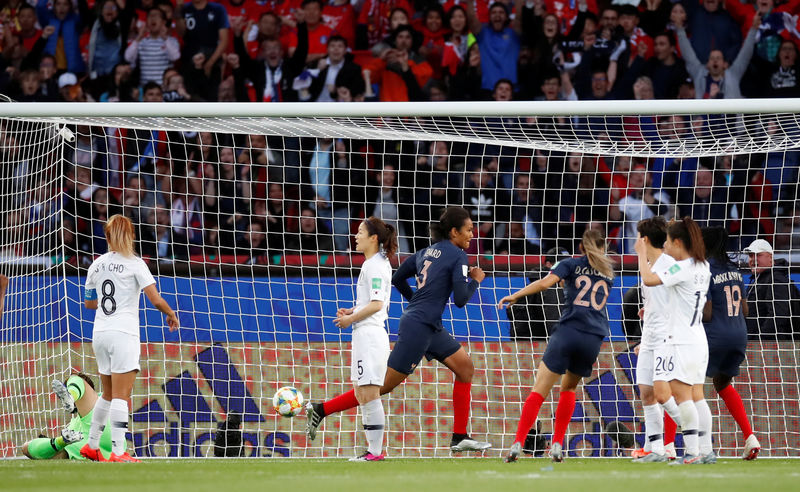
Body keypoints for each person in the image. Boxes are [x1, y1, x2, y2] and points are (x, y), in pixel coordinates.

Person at [306, 207, 491, 453]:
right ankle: (321, 409)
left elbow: (397, 279)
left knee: (465, 368)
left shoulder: (424, 252)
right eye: (468, 229)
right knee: (380, 387)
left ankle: (459, 436)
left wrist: (416, 301)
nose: (472, 234)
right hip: (420, 327)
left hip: (427, 324)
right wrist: (475, 280)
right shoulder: (458, 256)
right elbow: (460, 299)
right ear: (454, 231)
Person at [498, 228, 615, 463]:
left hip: (568, 332)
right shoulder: (608, 273)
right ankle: (558, 445)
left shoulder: (570, 264)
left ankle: (518, 443)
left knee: (539, 390)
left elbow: (544, 284)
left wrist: (516, 295)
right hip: (592, 338)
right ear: (603, 247)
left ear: (581, 247)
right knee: (569, 389)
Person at [80, 214, 179, 462]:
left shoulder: (96, 265)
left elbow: (90, 303)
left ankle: (91, 446)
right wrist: (170, 313)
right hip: (123, 333)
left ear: (107, 236)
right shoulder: (136, 264)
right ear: (132, 235)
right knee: (122, 396)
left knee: (108, 393)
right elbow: (155, 299)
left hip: (100, 333)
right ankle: (118, 452)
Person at [634, 217, 711, 465]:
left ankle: (693, 449)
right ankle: (702, 449)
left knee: (681, 396)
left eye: (670, 240)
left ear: (678, 242)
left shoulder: (678, 267)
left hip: (677, 338)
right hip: (693, 336)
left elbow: (651, 279)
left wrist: (639, 255)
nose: (666, 245)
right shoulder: (703, 265)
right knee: (693, 395)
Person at [332, 217, 397, 461]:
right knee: (361, 393)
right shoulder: (372, 263)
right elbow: (371, 302)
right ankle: (372, 451)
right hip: (363, 333)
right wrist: (353, 310)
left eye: (360, 232)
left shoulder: (376, 265)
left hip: (370, 335)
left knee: (369, 393)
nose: (355, 236)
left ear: (374, 238)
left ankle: (375, 452)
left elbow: (378, 304)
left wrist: (351, 319)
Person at [701, 226, 761, 460]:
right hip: (739, 335)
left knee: (685, 386)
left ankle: (674, 445)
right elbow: (745, 309)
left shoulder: (705, 269)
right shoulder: (735, 270)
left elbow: (706, 314)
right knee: (723, 384)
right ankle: (749, 436)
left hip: (715, 335)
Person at [629, 217, 682, 463]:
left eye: (639, 237)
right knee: (646, 393)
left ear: (645, 239)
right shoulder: (650, 264)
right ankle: (656, 448)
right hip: (649, 335)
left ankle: (697, 434)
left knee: (663, 395)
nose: (636, 241)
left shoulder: (670, 264)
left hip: (667, 336)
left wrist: (641, 256)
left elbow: (664, 287)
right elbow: (656, 298)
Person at [20, 373, 116, 460]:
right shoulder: (73, 425)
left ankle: (72, 396)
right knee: (26, 447)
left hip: (102, 432)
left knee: (75, 378)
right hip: (88, 449)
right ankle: (60, 441)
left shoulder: (101, 401)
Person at [744, 238, 800, 340]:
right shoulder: (759, 279)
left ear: (770, 257)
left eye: (758, 255)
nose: (753, 259)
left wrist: (758, 340)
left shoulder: (776, 279)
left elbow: (778, 316)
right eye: (751, 255)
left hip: (770, 346)